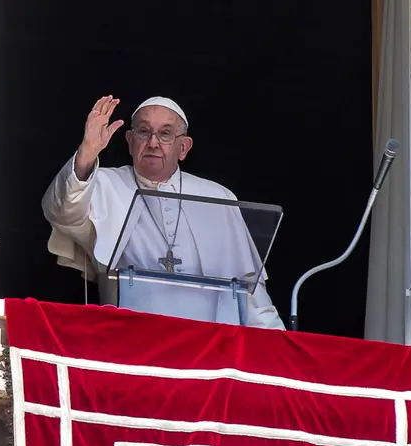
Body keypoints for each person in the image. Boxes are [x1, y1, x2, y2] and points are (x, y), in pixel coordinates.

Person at [41, 95, 285, 329]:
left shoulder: (217, 197)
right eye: (144, 132)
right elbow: (62, 210)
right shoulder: (102, 184)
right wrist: (87, 151)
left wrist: (278, 346)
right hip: (130, 339)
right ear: (129, 140)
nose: (153, 142)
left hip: (211, 346)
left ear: (184, 147)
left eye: (165, 133)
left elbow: (249, 292)